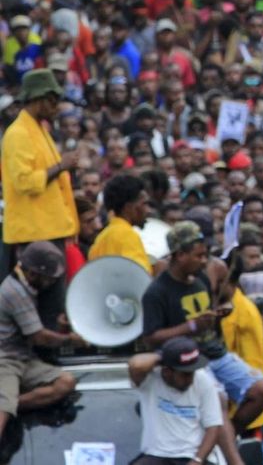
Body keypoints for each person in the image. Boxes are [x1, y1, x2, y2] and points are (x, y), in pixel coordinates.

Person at [141, 221, 263, 434]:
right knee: (217, 400)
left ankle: (229, 436)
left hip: (216, 352)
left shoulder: (202, 277)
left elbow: (208, 310)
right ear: (180, 255)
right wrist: (191, 326)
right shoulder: (157, 292)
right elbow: (151, 337)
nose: (205, 261)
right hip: (189, 360)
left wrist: (220, 312)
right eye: (199, 256)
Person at [0, 241, 82, 454]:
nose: (50, 282)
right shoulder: (14, 291)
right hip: (5, 359)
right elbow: (39, 337)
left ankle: (12, 405)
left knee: (66, 382)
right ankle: (6, 407)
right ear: (34, 273)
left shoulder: (27, 286)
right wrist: (69, 340)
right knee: (1, 415)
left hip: (24, 359)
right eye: (48, 277)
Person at [1, 69, 78, 285]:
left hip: (49, 229)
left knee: (53, 302)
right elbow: (24, 181)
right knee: (47, 304)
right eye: (53, 100)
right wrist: (61, 166)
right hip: (34, 234)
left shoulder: (40, 130)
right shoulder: (18, 133)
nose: (56, 107)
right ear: (38, 99)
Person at [128, 336, 223, 465]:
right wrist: (165, 355)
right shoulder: (150, 380)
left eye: (193, 372)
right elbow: (136, 365)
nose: (191, 379)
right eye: (185, 374)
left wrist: (197, 460)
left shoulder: (204, 381)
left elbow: (213, 427)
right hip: (156, 455)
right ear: (167, 372)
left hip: (193, 456)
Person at [89, 173, 153, 274]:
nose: (148, 210)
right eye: (144, 204)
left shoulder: (102, 237)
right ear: (128, 208)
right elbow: (139, 277)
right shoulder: (128, 236)